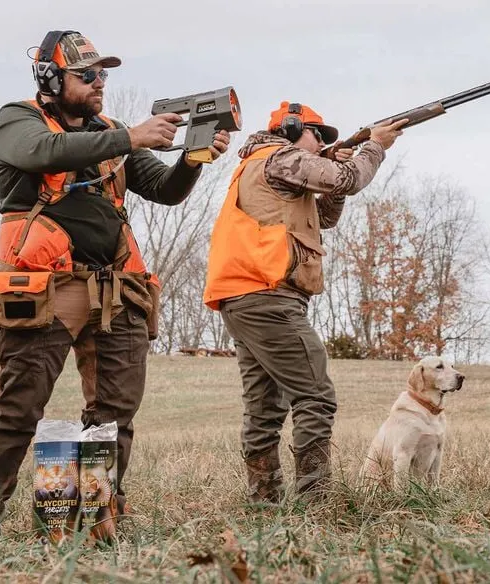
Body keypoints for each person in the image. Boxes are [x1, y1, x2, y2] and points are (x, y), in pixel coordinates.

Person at [0, 29, 230, 538]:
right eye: (87, 75)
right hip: (45, 290)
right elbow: (44, 152)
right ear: (51, 77)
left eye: (103, 74)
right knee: (18, 409)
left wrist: (193, 158)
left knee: (114, 416)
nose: (100, 82)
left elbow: (165, 191)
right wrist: (132, 136)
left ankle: (89, 522)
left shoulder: (111, 131)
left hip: (116, 290)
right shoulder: (17, 120)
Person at [202, 101, 406, 503]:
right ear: (292, 129)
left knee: (263, 407)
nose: (320, 144)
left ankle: (264, 500)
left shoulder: (269, 163)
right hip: (267, 294)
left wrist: (339, 165)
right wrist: (375, 146)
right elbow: (348, 179)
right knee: (316, 395)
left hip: (245, 296)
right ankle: (316, 501)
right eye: (317, 135)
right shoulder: (280, 156)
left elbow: (326, 214)